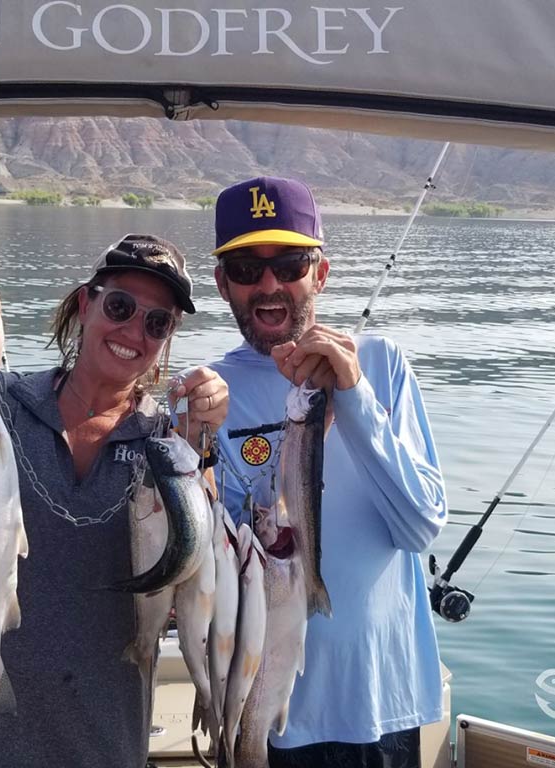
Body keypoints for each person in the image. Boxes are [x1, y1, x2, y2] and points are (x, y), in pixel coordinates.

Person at [0, 233, 229, 768]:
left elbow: (195, 565)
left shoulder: (169, 443)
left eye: (158, 322)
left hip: (98, 748)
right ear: (85, 303)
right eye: (121, 306)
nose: (135, 330)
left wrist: (202, 446)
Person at [208, 177, 447, 768]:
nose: (269, 285)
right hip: (265, 706)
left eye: (289, 264)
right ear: (222, 285)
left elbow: (420, 529)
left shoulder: (383, 366)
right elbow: (214, 558)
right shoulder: (210, 393)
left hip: (379, 705)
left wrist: (356, 398)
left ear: (321, 273)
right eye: (245, 268)